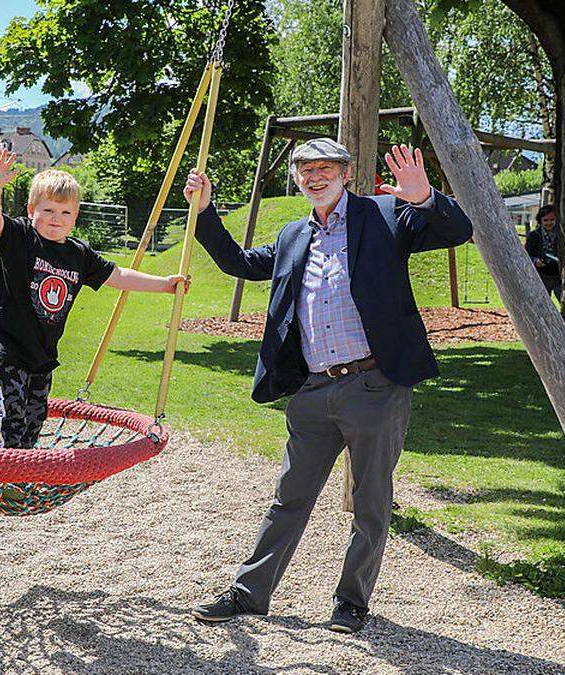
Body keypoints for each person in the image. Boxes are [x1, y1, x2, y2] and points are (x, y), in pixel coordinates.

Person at [186, 139, 472, 633]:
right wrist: (205, 211)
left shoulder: (385, 215)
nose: (314, 176)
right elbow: (238, 263)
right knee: (288, 497)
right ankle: (250, 593)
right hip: (314, 391)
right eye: (305, 169)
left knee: (371, 500)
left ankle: (352, 601)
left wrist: (424, 197)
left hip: (375, 386)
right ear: (296, 178)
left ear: (345, 172)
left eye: (325, 168)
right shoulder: (293, 235)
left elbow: (457, 231)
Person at [0, 149, 187, 449]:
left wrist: (165, 285)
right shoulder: (20, 237)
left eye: (64, 213)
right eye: (47, 211)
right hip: (2, 345)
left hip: (40, 355)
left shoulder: (78, 255)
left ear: (75, 216)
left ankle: (19, 482)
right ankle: (4, 476)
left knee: (33, 421)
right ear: (31, 209)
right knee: (11, 416)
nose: (55, 219)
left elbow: (119, 276)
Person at [525, 204, 562, 301]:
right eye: (545, 220)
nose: (549, 223)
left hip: (559, 276)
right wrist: (535, 260)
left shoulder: (562, 235)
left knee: (564, 302)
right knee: (542, 302)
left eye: (551, 220)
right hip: (541, 276)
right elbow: (526, 255)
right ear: (540, 221)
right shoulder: (534, 236)